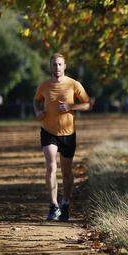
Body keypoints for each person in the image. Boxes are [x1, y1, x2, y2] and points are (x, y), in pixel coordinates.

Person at [33, 53, 94, 221]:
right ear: (50, 67)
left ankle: (65, 203)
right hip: (48, 131)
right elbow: (36, 101)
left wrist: (70, 106)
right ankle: (53, 206)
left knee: (67, 172)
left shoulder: (74, 84)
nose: (57, 68)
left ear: (65, 66)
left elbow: (88, 104)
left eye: (60, 64)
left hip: (68, 133)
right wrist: (38, 112)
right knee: (51, 167)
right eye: (54, 65)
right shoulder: (44, 86)